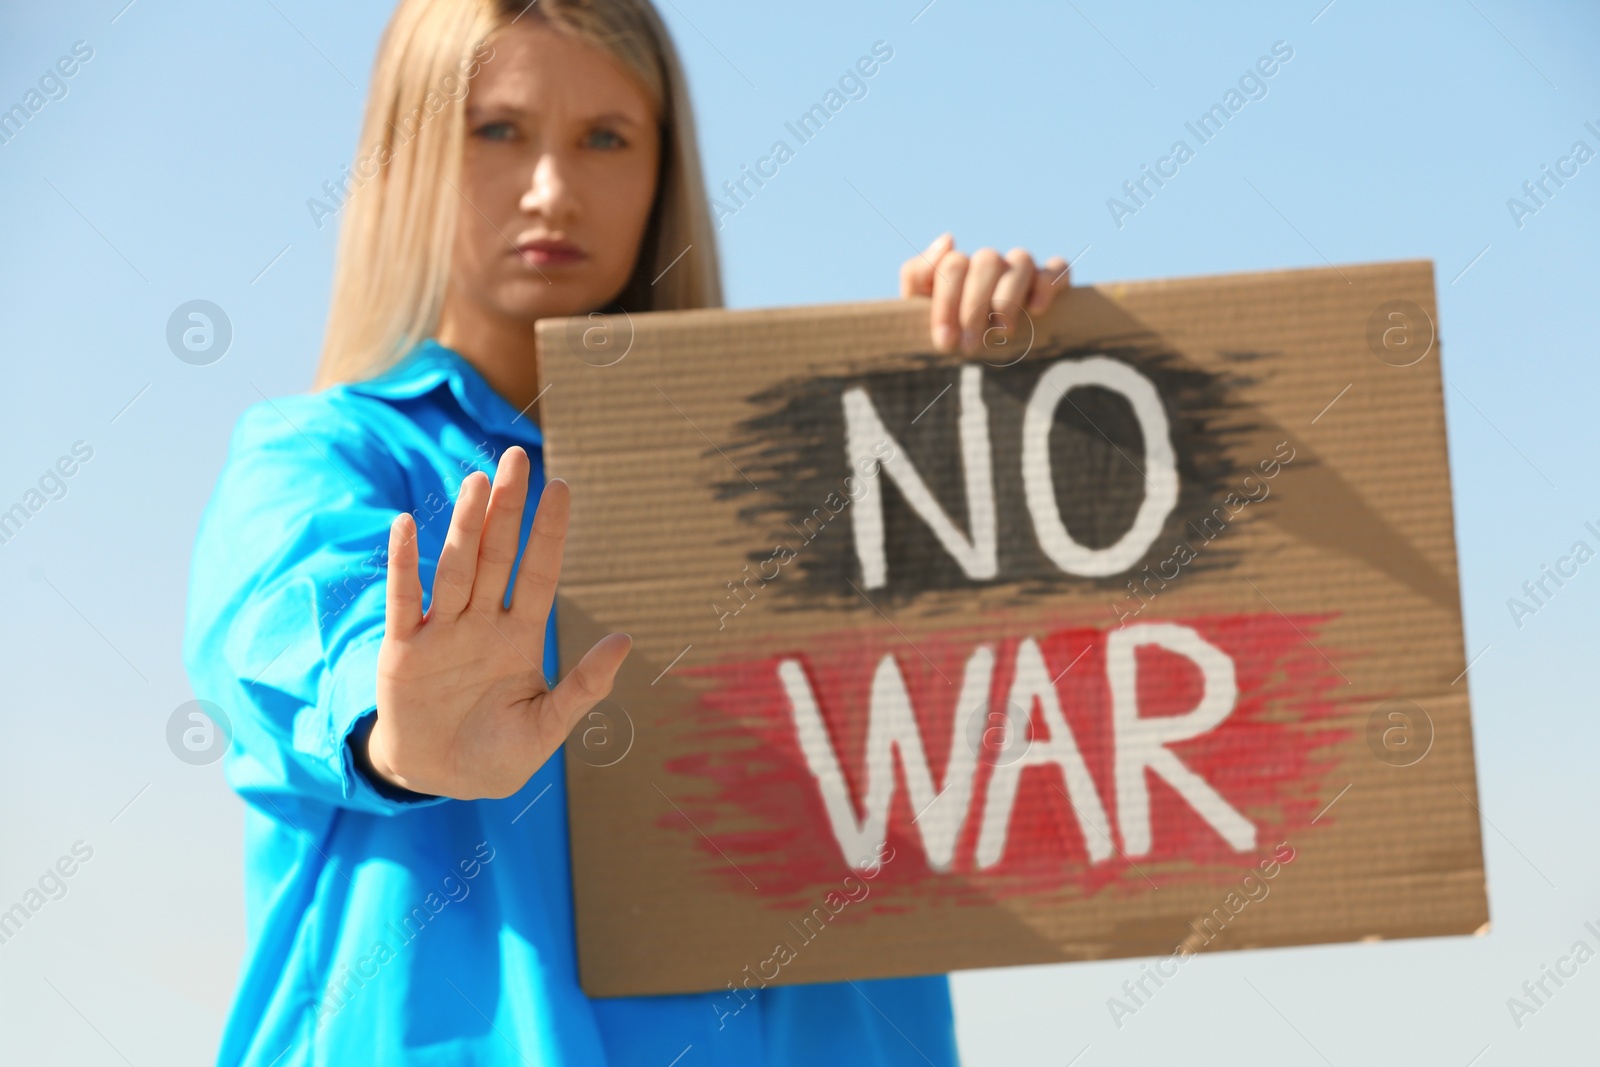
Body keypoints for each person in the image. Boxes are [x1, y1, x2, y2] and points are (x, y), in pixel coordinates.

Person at [183, 0, 1071, 1062]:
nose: (550, 187)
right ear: (407, 151)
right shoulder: (318, 460)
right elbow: (296, 634)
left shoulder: (803, 479)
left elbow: (1003, 702)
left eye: (605, 137)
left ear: (662, 170)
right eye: (496, 128)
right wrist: (393, 727)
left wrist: (971, 404)